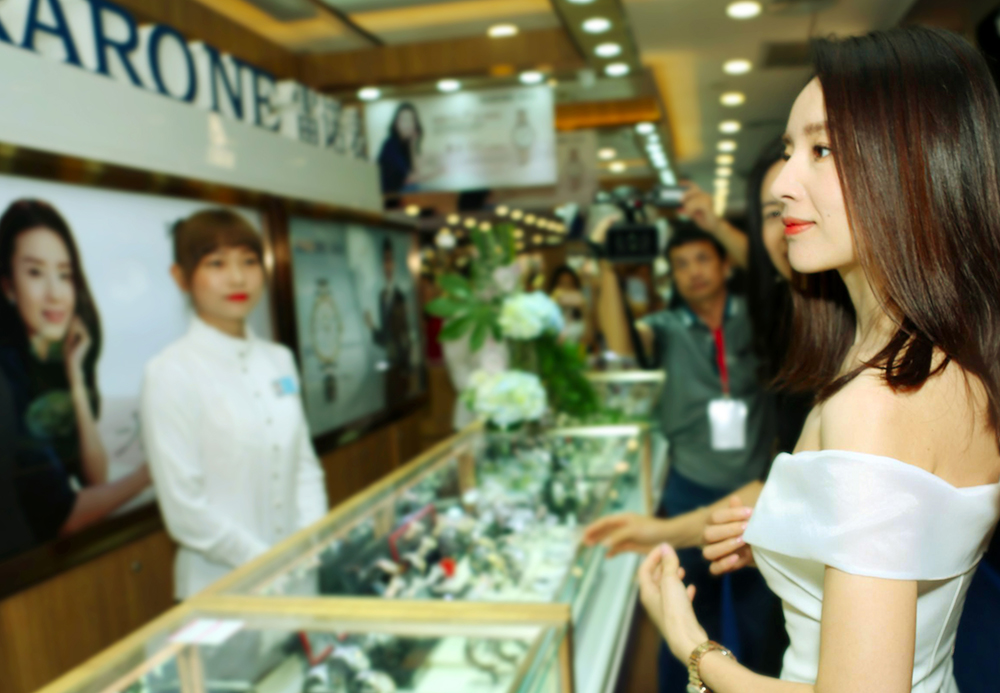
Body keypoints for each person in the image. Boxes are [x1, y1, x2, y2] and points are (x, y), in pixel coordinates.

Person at [640, 27, 1000, 693]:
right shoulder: (944, 361)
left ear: (911, 165)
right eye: (788, 151)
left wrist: (691, 644)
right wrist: (794, 535)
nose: (783, 182)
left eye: (821, 149)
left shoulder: (879, 398)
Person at [591, 217, 779, 690]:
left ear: (724, 264)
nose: (693, 271)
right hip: (690, 488)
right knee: (686, 615)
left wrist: (714, 223)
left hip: (755, 494)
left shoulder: (758, 316)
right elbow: (619, 344)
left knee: (761, 619)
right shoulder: (667, 327)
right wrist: (608, 267)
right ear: (671, 276)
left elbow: (775, 274)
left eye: (702, 259)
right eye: (680, 264)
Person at [141, 209, 328, 600]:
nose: (238, 278)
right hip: (223, 590)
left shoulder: (279, 359)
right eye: (216, 263)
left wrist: (308, 543)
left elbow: (305, 467)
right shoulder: (170, 372)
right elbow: (185, 510)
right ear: (181, 277)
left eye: (249, 261)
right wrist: (267, 564)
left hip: (300, 576)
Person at [0, 199, 150, 544]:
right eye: (35, 273)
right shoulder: (8, 378)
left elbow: (94, 479)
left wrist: (75, 376)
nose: (55, 293)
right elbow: (63, 518)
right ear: (7, 286)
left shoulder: (51, 363)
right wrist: (149, 474)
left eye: (64, 275)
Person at [365, 237, 414, 400]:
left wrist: (407, 365)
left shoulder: (401, 295)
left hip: (401, 362)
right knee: (391, 398)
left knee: (401, 398)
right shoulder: (382, 296)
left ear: (395, 264)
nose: (387, 266)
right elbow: (386, 336)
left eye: (390, 260)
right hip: (389, 361)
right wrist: (371, 327)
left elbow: (405, 333)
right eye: (384, 261)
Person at [377, 103, 434, 194]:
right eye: (404, 120)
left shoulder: (406, 146)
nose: (408, 124)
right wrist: (437, 172)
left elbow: (415, 172)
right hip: (389, 196)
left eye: (412, 120)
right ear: (396, 123)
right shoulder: (391, 145)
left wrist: (413, 145)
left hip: (399, 193)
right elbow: (409, 178)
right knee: (417, 188)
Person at [547, 264, 593, 349]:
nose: (566, 288)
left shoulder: (579, 311)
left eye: (570, 284)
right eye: (562, 284)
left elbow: (589, 341)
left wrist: (584, 310)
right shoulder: (549, 310)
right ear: (554, 287)